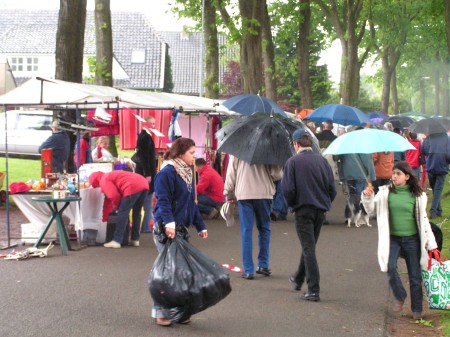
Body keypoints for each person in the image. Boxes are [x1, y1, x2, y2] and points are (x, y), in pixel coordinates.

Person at [362, 161, 438, 320]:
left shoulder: (418, 196)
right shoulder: (384, 193)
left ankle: (417, 310)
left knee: (415, 276)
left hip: (412, 240)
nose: (394, 176)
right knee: (389, 266)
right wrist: (367, 197)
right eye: (393, 173)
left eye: (398, 174)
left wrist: (432, 244)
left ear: (407, 176)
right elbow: (370, 211)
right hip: (392, 239)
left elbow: (423, 220)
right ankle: (400, 295)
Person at [152, 137, 208, 326]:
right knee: (169, 272)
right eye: (192, 153)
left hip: (179, 228)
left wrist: (200, 225)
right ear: (180, 153)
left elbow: (191, 203)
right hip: (165, 228)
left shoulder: (187, 172)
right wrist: (169, 224)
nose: (195, 156)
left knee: (181, 271)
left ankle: (179, 311)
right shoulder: (166, 172)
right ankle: (161, 312)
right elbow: (163, 200)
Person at [281, 128, 336, 302]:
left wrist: (292, 205)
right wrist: (325, 202)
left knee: (308, 248)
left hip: (303, 209)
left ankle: (314, 288)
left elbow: (288, 189)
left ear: (296, 144)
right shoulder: (322, 161)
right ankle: (298, 278)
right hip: (320, 210)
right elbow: (332, 189)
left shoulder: (293, 162)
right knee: (309, 246)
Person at [224, 155, 282, 280]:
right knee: (264, 228)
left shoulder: (238, 149)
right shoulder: (268, 148)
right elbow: (277, 175)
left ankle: (248, 270)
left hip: (244, 193)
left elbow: (231, 172)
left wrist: (228, 192)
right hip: (264, 193)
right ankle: (263, 265)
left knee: (246, 231)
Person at [89, 170, 149, 249]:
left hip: (132, 186)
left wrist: (117, 207)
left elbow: (114, 196)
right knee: (136, 213)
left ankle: (117, 240)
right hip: (144, 183)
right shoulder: (109, 175)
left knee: (122, 212)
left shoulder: (104, 180)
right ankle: (135, 239)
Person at [134, 116, 156, 233]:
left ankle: (146, 224)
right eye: (151, 124)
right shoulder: (145, 137)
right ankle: (146, 225)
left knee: (146, 199)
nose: (153, 126)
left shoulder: (143, 136)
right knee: (147, 199)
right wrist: (147, 173)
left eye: (154, 124)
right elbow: (145, 157)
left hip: (144, 171)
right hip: (146, 172)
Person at [421, 132, 450, 219]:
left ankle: (438, 211)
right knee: (437, 191)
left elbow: (423, 149)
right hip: (442, 167)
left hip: (431, 166)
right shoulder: (446, 138)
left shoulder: (429, 137)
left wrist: (431, 154)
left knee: (435, 190)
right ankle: (433, 211)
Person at [316, 119, 337, 225]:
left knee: (317, 188)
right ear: (332, 127)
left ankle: (316, 212)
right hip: (330, 168)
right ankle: (323, 213)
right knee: (327, 190)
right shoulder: (335, 139)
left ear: (323, 127)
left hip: (317, 166)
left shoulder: (317, 137)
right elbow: (337, 156)